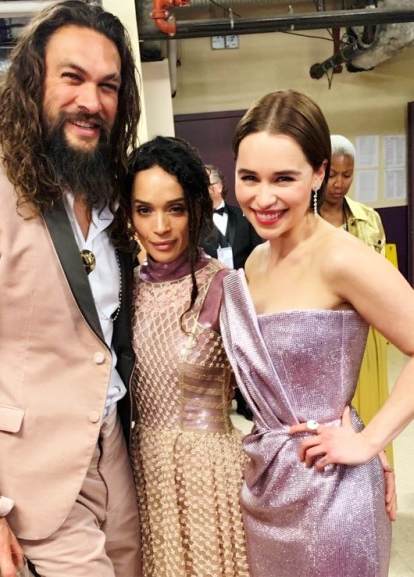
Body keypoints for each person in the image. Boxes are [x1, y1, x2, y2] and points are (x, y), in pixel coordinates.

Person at [0, 2, 142, 577]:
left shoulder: (111, 196)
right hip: (27, 483)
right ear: (32, 81)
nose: (91, 101)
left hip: (113, 455)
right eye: (73, 78)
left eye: (108, 86)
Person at [219, 90, 407, 577]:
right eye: (249, 178)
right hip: (266, 488)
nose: (263, 198)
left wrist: (370, 444)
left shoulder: (340, 257)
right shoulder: (256, 259)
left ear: (319, 173)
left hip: (333, 496)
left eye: (284, 178)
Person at [123, 136, 250, 577]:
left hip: (209, 479)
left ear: (197, 207)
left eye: (174, 208)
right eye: (145, 210)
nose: (160, 226)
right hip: (140, 470)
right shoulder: (123, 289)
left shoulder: (225, 286)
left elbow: (270, 390)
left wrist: (344, 427)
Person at [320, 134, 392, 463]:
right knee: (333, 412)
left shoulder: (368, 219)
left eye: (346, 175)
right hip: (325, 332)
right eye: (332, 174)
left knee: (373, 407)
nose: (338, 183)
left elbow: (386, 278)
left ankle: (376, 479)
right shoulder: (307, 222)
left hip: (368, 326)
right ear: (320, 172)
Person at [201, 164, 262, 420]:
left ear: (217, 186)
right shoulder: (197, 223)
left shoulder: (242, 217)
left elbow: (259, 252)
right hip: (210, 295)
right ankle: (218, 400)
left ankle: (246, 400)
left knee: (246, 346)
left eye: (205, 184)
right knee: (214, 347)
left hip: (244, 293)